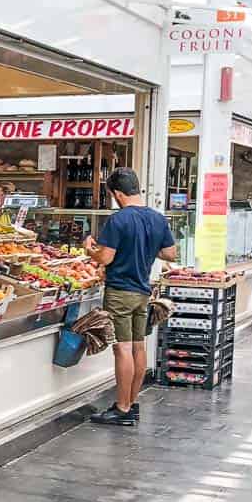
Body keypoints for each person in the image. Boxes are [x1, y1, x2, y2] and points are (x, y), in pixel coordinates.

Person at [82, 168, 176, 427]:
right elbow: (170, 254)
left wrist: (90, 250)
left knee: (122, 348)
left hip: (120, 292)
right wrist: (145, 247)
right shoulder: (158, 219)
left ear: (117, 194)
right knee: (138, 346)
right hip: (142, 291)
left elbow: (105, 258)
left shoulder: (118, 220)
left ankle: (122, 408)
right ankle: (132, 403)